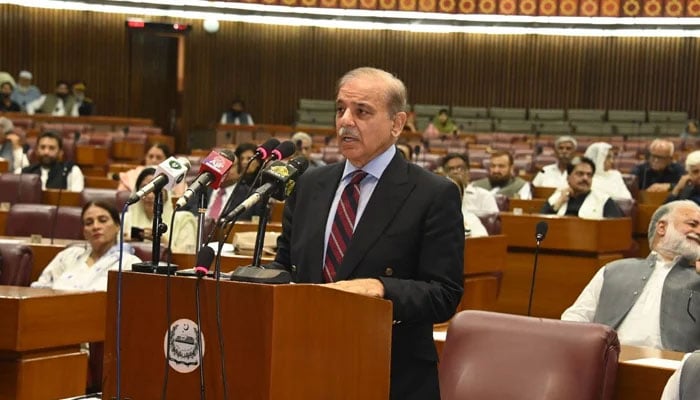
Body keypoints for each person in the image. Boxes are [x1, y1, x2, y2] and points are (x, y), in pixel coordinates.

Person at [272, 67, 464, 400]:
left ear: (397, 124)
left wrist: (380, 287)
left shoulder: (432, 194)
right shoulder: (309, 185)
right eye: (340, 109)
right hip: (304, 364)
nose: (345, 121)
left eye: (361, 112)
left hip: (389, 373)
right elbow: (285, 265)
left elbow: (444, 294)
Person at [561, 200, 700, 352]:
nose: (699, 231)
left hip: (674, 369)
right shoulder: (613, 270)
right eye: (693, 224)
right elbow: (575, 318)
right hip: (607, 360)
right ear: (662, 227)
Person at [31, 201, 142, 291]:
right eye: (89, 223)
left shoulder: (130, 263)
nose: (95, 226)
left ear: (118, 226)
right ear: (84, 232)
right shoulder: (68, 255)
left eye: (102, 220)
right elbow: (40, 288)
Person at [123, 167, 197, 254]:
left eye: (156, 190)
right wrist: (124, 245)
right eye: (145, 188)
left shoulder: (184, 220)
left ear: (166, 193)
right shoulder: (125, 219)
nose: (150, 195)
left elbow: (187, 257)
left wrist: (163, 242)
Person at [541, 156, 623, 218]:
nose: (585, 178)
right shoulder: (557, 197)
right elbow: (539, 224)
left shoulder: (604, 200)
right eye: (580, 174)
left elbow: (614, 231)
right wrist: (558, 204)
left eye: (589, 175)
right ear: (568, 178)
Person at [116, 143, 185, 196]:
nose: (154, 160)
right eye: (150, 156)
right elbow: (122, 196)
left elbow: (180, 197)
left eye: (158, 157)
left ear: (166, 160)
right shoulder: (131, 174)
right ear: (145, 158)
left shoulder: (176, 176)